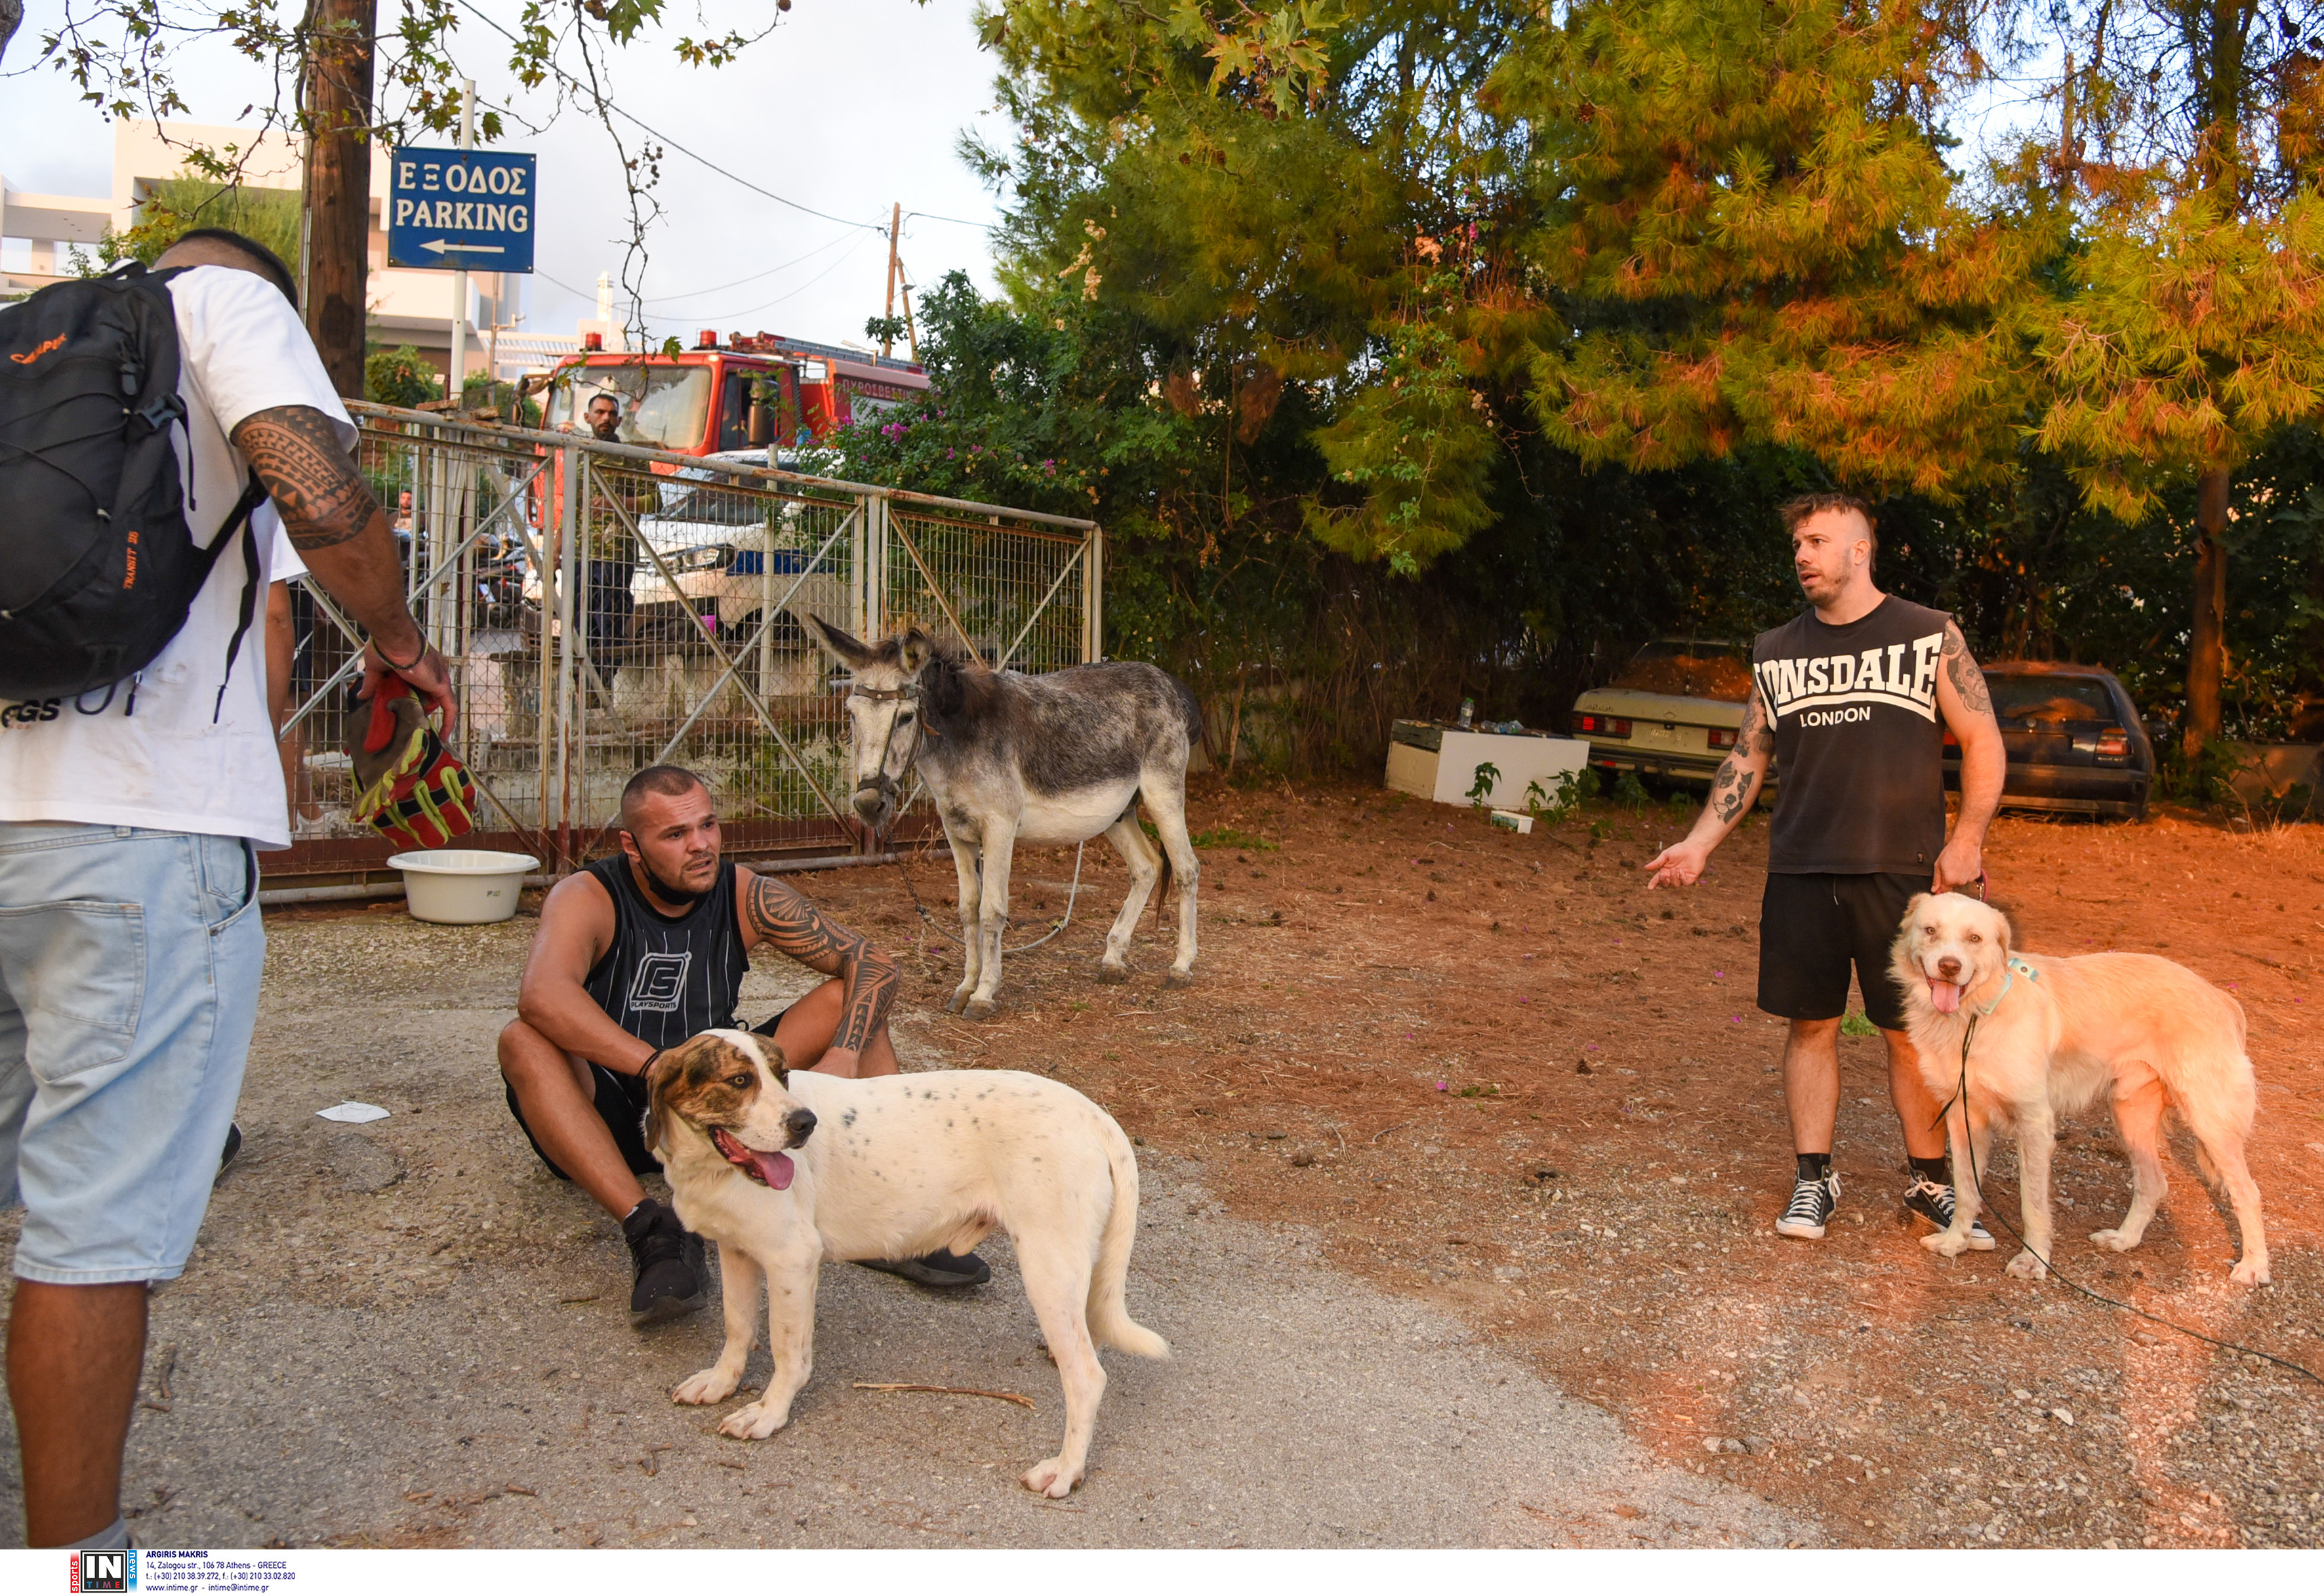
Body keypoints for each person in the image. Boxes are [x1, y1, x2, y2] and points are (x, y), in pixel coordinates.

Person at [0, 227, 456, 1549]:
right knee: (91, 1230)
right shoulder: (221, 306)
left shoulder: (30, 345)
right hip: (138, 829)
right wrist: (398, 635)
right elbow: (320, 494)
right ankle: (78, 1573)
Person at [498, 764, 989, 1326]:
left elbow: (871, 962)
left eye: (707, 825)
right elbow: (541, 995)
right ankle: (652, 1228)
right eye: (675, 834)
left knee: (853, 1001)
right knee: (523, 1039)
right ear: (632, 846)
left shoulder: (742, 892)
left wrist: (844, 1054)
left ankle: (883, 1215)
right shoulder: (588, 895)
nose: (701, 844)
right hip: (612, 1106)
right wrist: (659, 1066)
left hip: (724, 1101)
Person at [1643, 492, 2007, 1242]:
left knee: (1910, 1031)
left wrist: (1968, 837)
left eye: (1816, 541)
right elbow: (1749, 755)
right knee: (1810, 1025)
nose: (1802, 556)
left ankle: (1930, 1182)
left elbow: (1982, 737)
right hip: (1802, 867)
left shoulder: (1928, 634)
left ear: (1859, 550)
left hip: (1902, 872)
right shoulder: (1777, 649)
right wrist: (1701, 841)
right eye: (1797, 545)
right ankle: (1814, 1179)